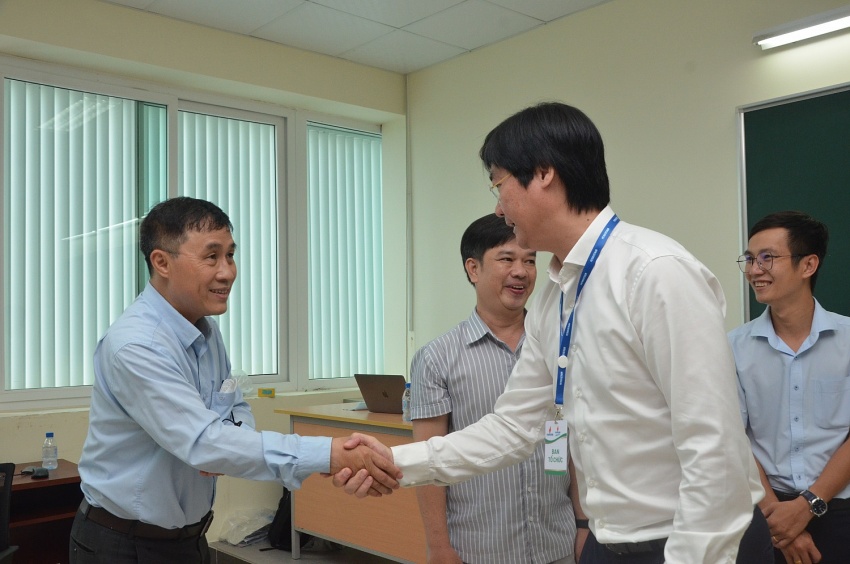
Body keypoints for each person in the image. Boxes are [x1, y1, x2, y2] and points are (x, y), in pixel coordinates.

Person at [336, 102, 773, 563]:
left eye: (499, 185)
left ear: (544, 173)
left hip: (697, 541)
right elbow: (513, 427)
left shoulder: (654, 272)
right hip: (612, 542)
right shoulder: (556, 298)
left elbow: (713, 446)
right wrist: (393, 461)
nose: (498, 207)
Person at [69, 197, 401, 564]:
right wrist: (328, 455)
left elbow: (233, 407)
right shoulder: (137, 345)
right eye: (211, 257)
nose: (227, 272)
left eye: (230, 255)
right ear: (161, 262)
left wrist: (227, 446)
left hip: (190, 539)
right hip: (123, 544)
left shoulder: (206, 331)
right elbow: (203, 442)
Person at [411, 213, 575, 564]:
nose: (521, 272)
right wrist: (438, 546)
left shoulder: (560, 345)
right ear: (473, 269)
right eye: (506, 259)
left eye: (529, 261)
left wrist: (583, 524)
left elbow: (575, 442)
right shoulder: (437, 357)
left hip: (557, 543)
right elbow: (428, 461)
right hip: (481, 549)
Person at [729, 211, 850, 564]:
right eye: (750, 259)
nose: (754, 270)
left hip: (841, 512)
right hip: (763, 512)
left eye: (767, 258)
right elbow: (732, 437)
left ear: (808, 265)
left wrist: (807, 506)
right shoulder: (732, 348)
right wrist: (778, 520)